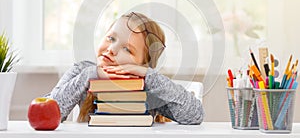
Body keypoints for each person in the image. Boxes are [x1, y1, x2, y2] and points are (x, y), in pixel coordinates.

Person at [45, 12, 204, 125]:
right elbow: (46, 114)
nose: (111, 49)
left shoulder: (150, 86)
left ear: (143, 64)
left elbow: (195, 115)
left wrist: (148, 75)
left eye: (127, 49)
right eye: (111, 38)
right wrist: (89, 76)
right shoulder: (82, 72)